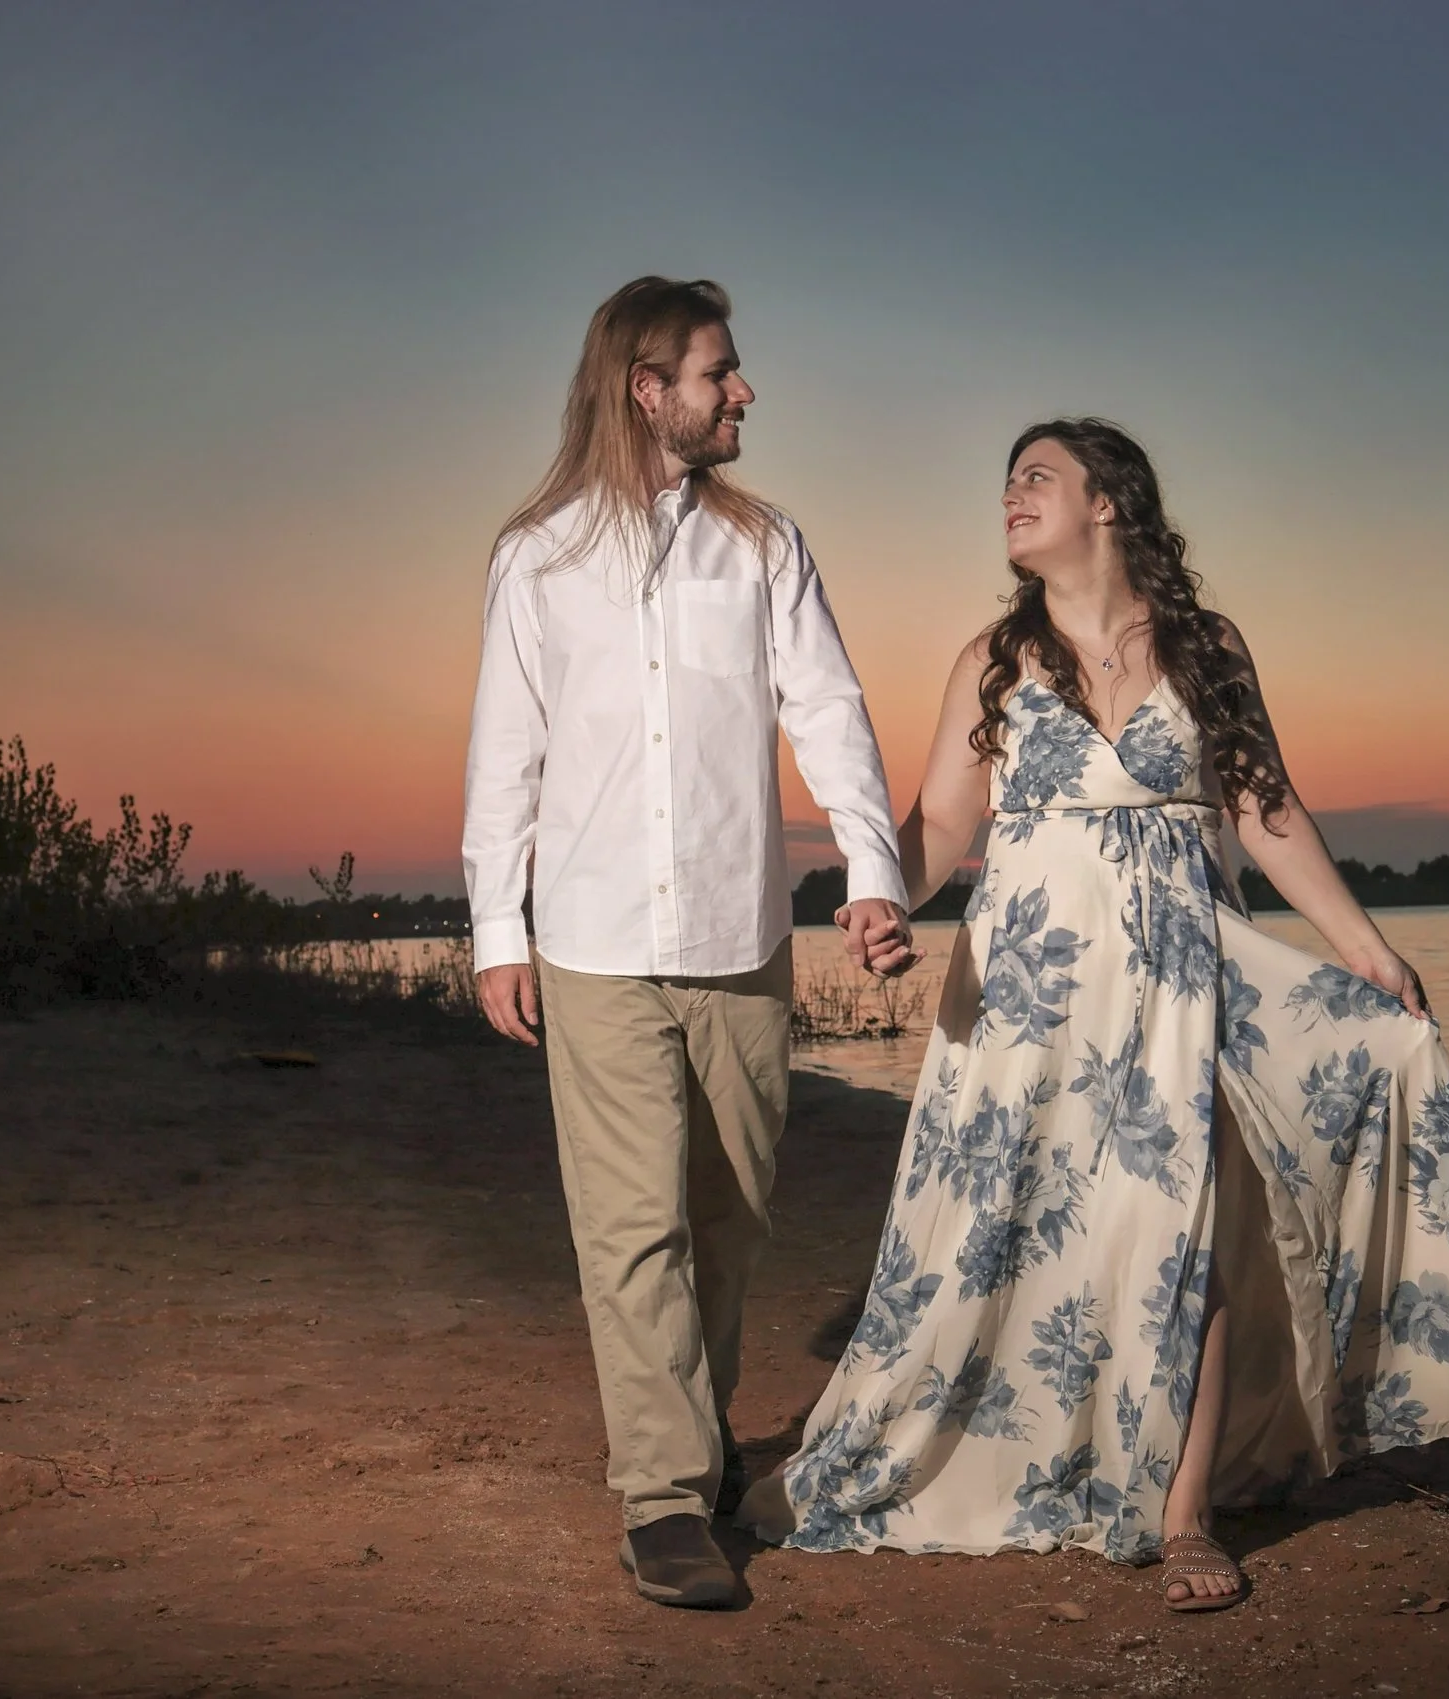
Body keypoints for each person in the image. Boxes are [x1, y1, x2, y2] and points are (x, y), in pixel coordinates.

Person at [738, 418, 1449, 1611]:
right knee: (1011, 1223)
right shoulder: (992, 657)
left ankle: (1180, 1508)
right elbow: (946, 822)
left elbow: (1262, 806)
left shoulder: (1205, 646)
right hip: (1029, 984)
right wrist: (877, 893)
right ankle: (1031, 1451)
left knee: (1183, 1219)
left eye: (1036, 477)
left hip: (1177, 976)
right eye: (1005, 482)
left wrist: (1364, 945)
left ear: (1110, 502)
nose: (1010, 495)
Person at [462, 277, 916, 1609]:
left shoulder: (764, 547)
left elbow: (828, 709)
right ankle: (660, 1495)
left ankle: (699, 1435)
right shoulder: (533, 556)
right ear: (646, 388)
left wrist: (871, 867)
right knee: (633, 1223)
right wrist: (500, 928)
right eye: (722, 371)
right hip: (594, 940)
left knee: (730, 1212)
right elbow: (507, 756)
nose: (745, 391)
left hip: (738, 932)